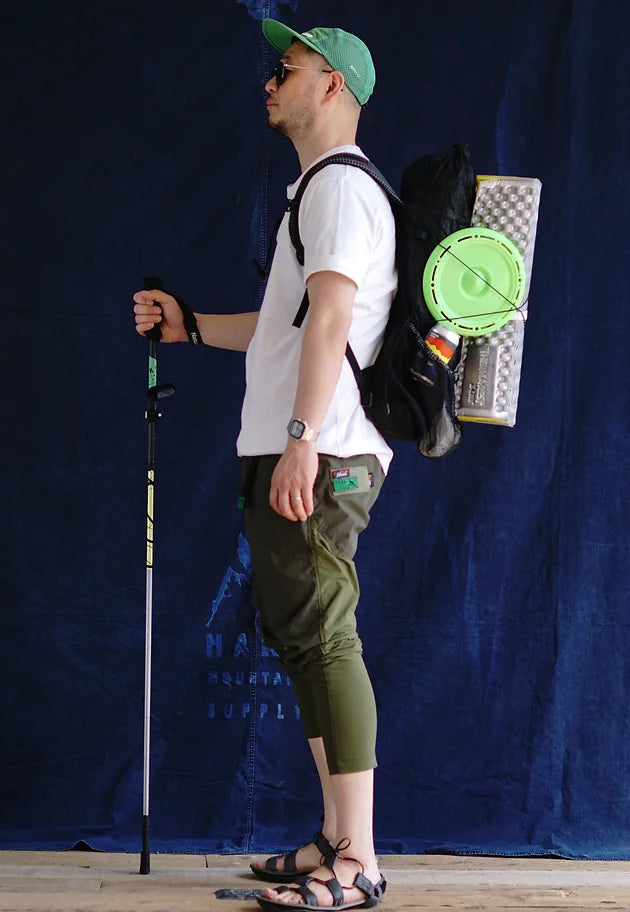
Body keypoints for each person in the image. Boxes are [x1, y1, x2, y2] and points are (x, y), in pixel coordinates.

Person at [133, 19, 396, 911]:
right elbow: (290, 328)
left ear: (332, 86)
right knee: (303, 641)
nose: (271, 80)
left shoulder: (340, 189)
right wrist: (192, 327)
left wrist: (300, 437)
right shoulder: (316, 193)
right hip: (302, 442)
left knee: (325, 636)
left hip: (323, 450)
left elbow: (334, 322)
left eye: (289, 68)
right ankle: (335, 836)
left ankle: (357, 862)